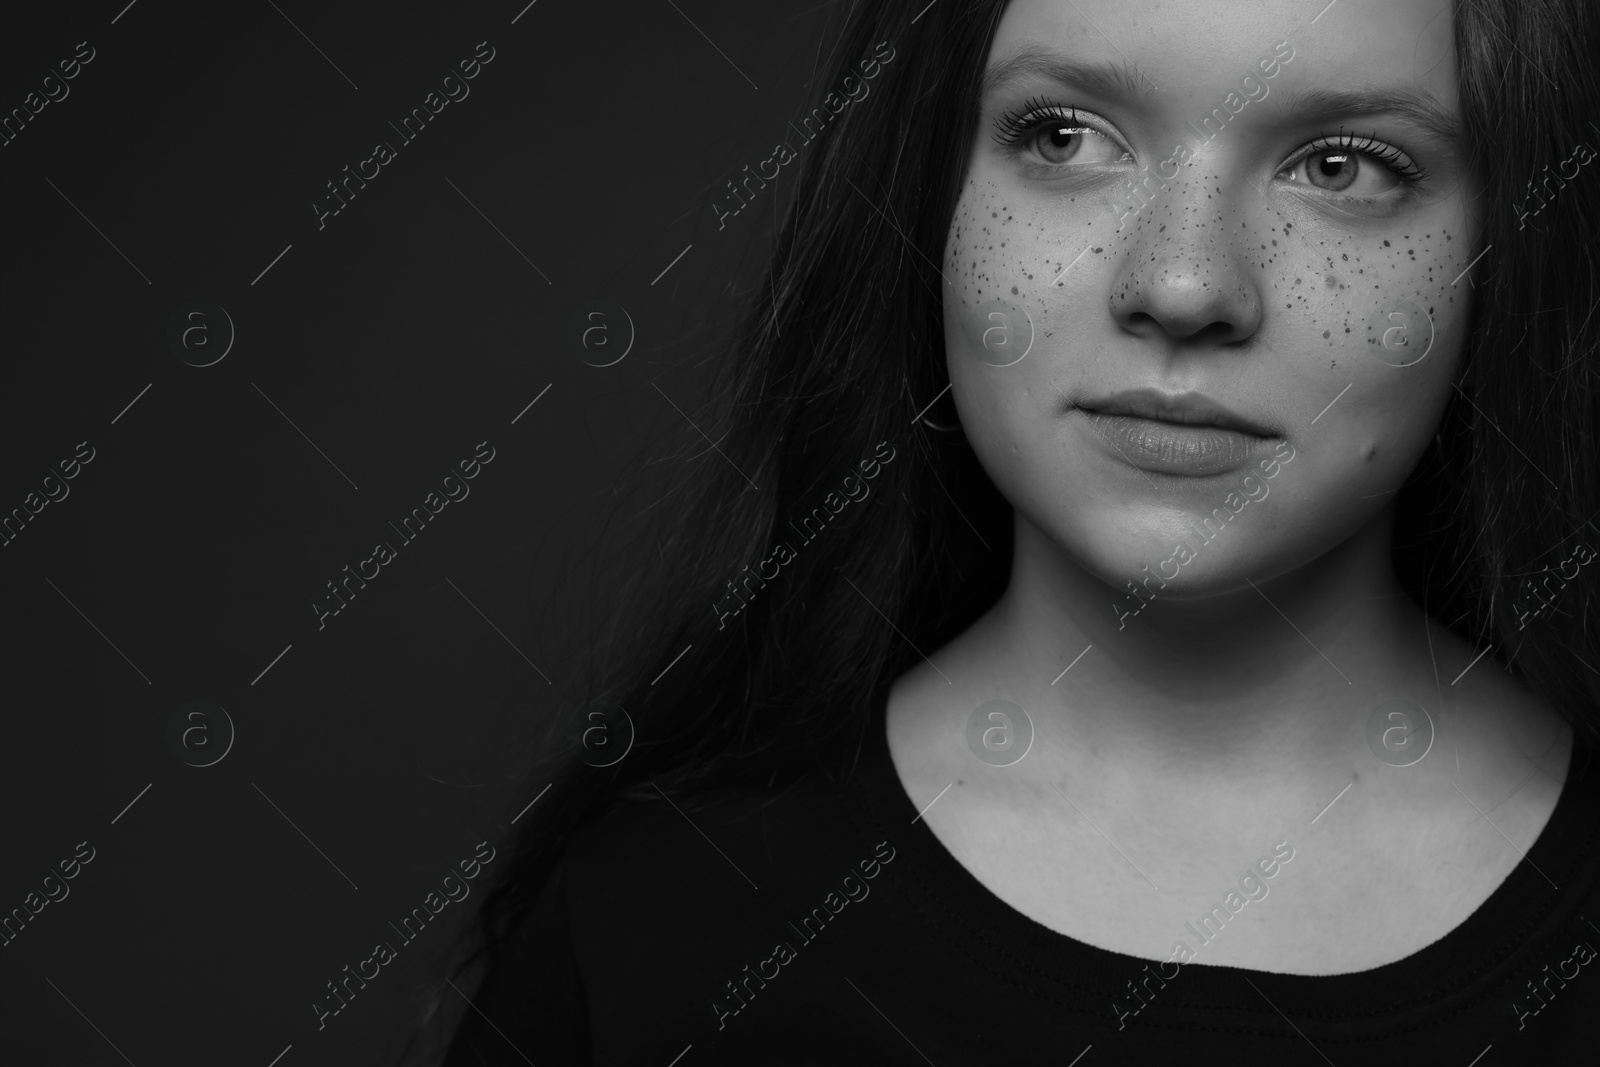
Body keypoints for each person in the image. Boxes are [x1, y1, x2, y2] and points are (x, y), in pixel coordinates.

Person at [426, 0, 1600, 1062]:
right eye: (1064, 137)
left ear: (1505, 245)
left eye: (1341, 165)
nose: (1184, 282)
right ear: (932, 195)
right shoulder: (658, 922)